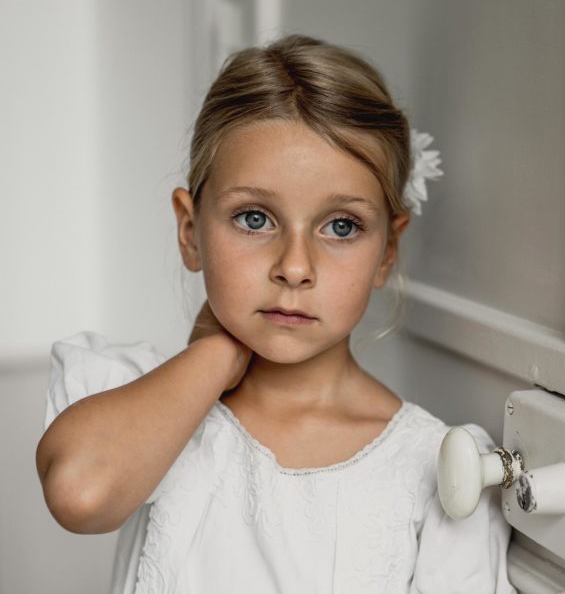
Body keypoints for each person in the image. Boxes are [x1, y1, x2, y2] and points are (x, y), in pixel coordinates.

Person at [36, 33, 516, 593]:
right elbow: (80, 492)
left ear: (387, 249)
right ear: (190, 232)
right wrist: (216, 353)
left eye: (341, 226)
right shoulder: (140, 400)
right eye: (255, 219)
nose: (294, 266)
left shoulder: (437, 468)